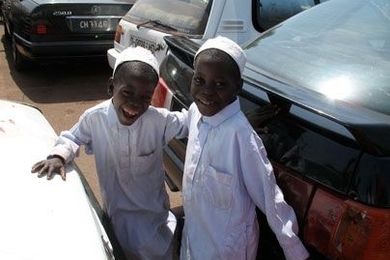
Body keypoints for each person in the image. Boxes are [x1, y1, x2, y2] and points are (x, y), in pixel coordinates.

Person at [31, 46, 188, 260]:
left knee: (158, 251)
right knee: (121, 250)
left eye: (145, 97)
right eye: (127, 92)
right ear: (112, 86)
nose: (135, 103)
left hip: (153, 214)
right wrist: (58, 156)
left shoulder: (158, 120)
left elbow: (187, 121)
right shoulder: (95, 118)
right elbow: (73, 137)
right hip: (117, 212)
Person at [180, 36, 310, 260]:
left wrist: (293, 249)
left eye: (220, 84)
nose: (207, 91)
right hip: (193, 240)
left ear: (237, 87)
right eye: (200, 80)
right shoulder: (195, 112)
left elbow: (269, 196)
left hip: (226, 250)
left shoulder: (241, 135)